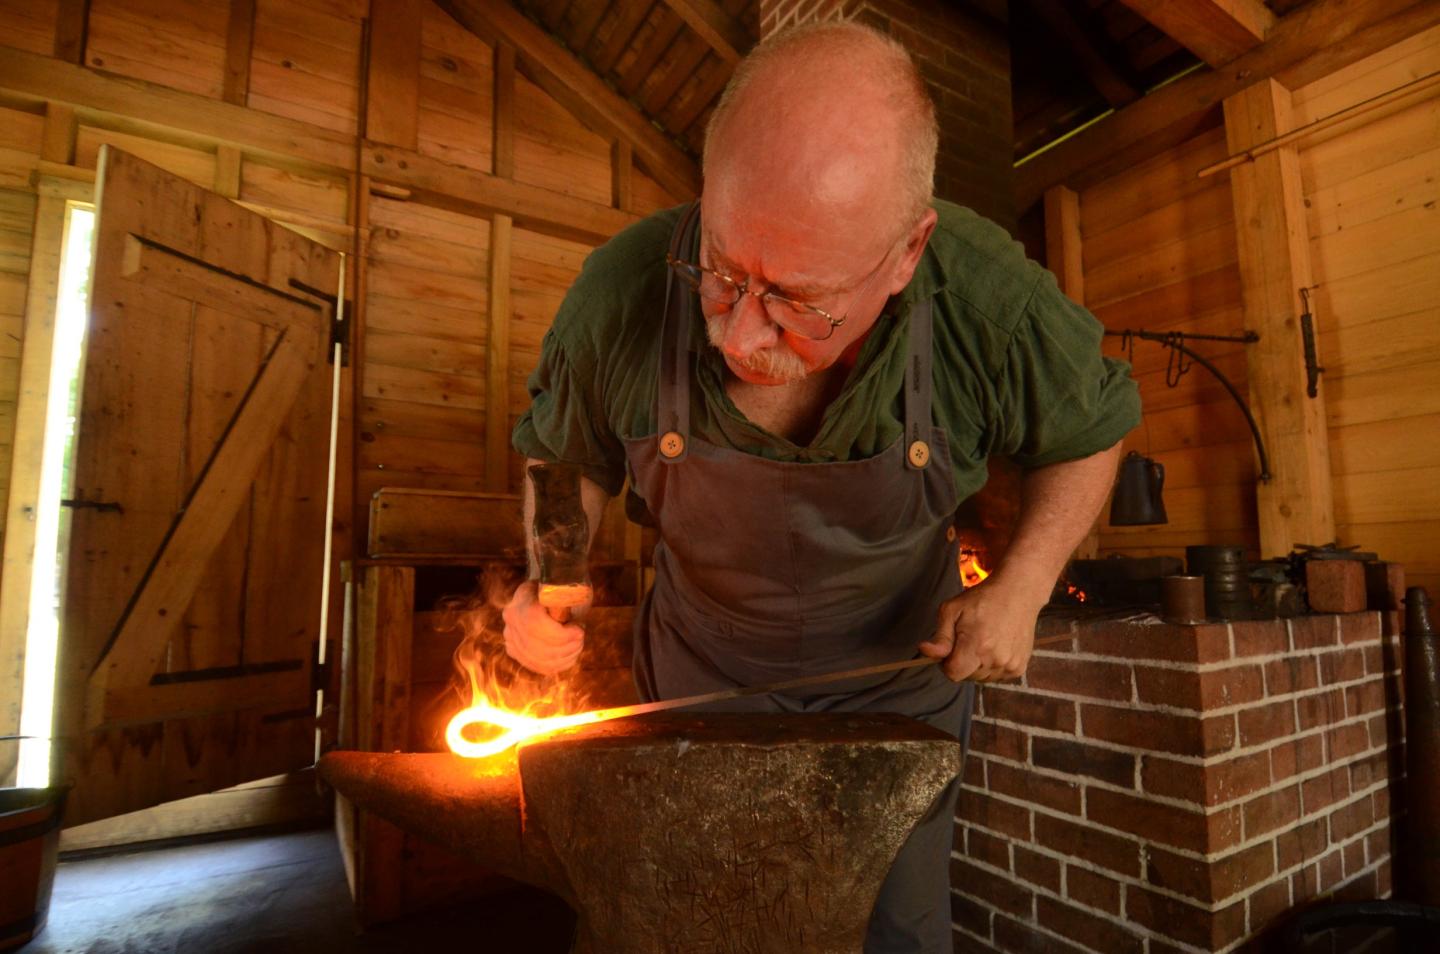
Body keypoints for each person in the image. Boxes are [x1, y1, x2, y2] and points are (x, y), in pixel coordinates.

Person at [502, 20, 1139, 953]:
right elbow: (565, 458)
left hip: (895, 686)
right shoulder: (622, 290)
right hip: (700, 682)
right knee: (693, 920)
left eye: (799, 303)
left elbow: (1092, 430)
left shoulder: (984, 297)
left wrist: (1026, 588)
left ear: (907, 253)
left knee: (895, 929)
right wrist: (551, 582)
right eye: (721, 273)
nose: (739, 336)